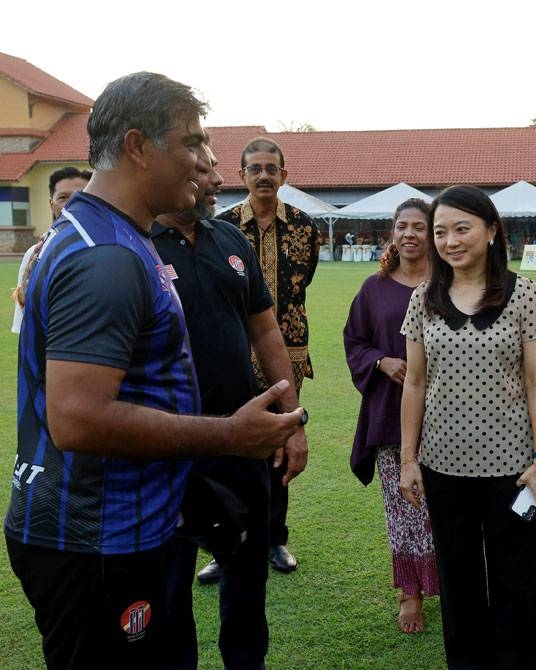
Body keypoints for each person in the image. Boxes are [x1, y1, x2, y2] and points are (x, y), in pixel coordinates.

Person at [3, 71, 304, 670]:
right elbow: (77, 420)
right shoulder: (106, 258)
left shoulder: (117, 237)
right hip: (93, 537)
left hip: (120, 527)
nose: (204, 162)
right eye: (191, 142)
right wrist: (229, 435)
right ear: (139, 146)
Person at [153, 146, 307, 669]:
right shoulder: (138, 244)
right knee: (169, 585)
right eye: (203, 171)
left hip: (243, 438)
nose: (218, 179)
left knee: (246, 573)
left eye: (217, 169)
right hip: (167, 445)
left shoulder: (228, 238)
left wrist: (290, 420)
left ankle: (248, 661)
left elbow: (265, 328)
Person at [399, 185, 536, 668]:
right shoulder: (424, 299)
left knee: (516, 580)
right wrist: (408, 459)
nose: (450, 241)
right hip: (443, 468)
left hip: (513, 472)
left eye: (462, 228)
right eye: (441, 231)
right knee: (459, 579)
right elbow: (415, 384)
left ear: (491, 231)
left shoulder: (523, 294)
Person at [211, 136, 320, 577]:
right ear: (241, 175)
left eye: (271, 168)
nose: (263, 176)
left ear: (283, 176)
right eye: (254, 168)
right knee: (230, 451)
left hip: (285, 357)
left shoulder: (304, 227)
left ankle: (275, 540)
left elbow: (304, 280)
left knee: (279, 449)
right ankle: (225, 546)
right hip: (232, 354)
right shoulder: (221, 227)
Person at [344, 198, 439, 634]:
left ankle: (450, 580)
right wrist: (382, 361)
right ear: (392, 233)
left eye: (420, 227)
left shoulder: (450, 284)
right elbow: (355, 341)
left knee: (447, 506)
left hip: (449, 413)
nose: (410, 234)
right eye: (402, 226)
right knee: (404, 505)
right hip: (389, 412)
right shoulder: (374, 288)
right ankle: (410, 593)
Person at [11, 167, 92, 333]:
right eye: (63, 198)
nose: (71, 204)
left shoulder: (114, 249)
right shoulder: (36, 254)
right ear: (51, 204)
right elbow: (25, 327)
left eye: (81, 196)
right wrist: (26, 297)